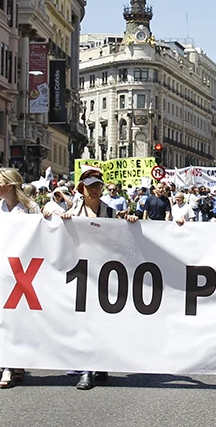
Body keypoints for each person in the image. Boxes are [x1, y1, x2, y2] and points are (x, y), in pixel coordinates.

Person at [62, 166, 135, 389]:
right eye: (90, 186)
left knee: (102, 320)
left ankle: (98, 362)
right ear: (81, 188)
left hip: (104, 274)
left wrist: (130, 222)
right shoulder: (73, 212)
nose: (94, 190)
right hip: (80, 273)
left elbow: (122, 237)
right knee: (84, 320)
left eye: (97, 186)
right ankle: (86, 369)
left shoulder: (111, 212)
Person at [0, 169, 38, 388]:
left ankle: (19, 361)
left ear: (10, 185)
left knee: (20, 318)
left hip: (24, 270)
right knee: (3, 316)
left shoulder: (29, 208)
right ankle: (6, 365)